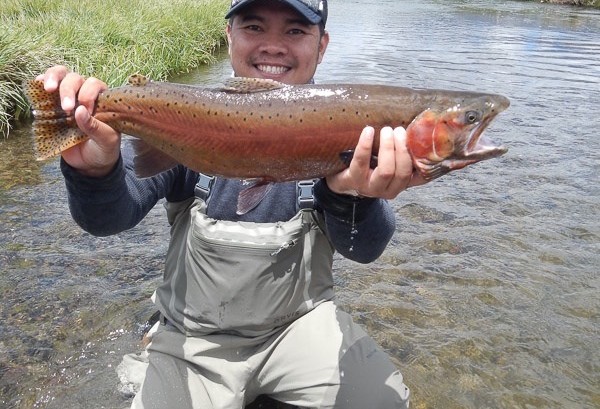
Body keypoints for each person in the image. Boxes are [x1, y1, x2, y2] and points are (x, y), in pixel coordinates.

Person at [38, 0, 426, 407]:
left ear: (322, 45)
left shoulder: (344, 130)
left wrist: (353, 196)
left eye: (295, 31)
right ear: (228, 36)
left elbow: (365, 249)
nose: (273, 46)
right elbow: (109, 219)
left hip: (299, 330)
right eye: (254, 27)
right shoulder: (188, 117)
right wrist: (95, 173)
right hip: (194, 337)